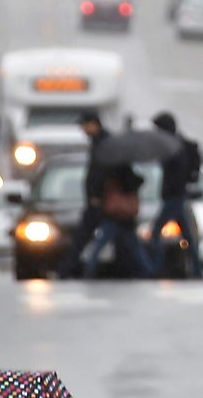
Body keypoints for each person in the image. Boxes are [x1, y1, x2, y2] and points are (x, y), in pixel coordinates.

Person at [151, 111, 203, 277]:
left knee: (155, 232)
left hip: (173, 196)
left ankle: (155, 267)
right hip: (177, 196)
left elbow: (176, 174)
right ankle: (197, 269)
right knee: (188, 236)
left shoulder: (174, 147)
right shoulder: (177, 145)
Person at [80, 164, 154, 279]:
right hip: (124, 217)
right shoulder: (128, 172)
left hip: (114, 216)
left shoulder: (111, 172)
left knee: (100, 245)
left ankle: (89, 270)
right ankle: (148, 270)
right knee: (135, 248)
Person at [65, 109, 110, 276]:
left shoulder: (104, 143)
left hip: (101, 200)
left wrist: (96, 195)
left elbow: (100, 172)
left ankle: (75, 269)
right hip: (99, 199)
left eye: (85, 125)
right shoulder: (98, 142)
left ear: (93, 124)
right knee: (120, 238)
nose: (83, 130)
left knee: (84, 238)